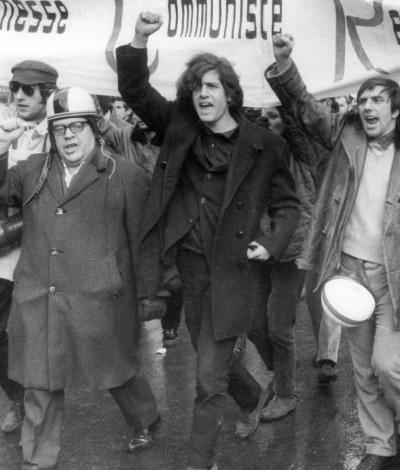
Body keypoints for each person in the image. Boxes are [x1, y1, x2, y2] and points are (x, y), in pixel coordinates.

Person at [116, 12, 300, 470]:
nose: (203, 94)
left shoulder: (264, 145)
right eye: (197, 87)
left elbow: (289, 205)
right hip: (189, 269)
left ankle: (201, 462)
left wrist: (272, 242)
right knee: (208, 356)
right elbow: (135, 90)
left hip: (234, 272)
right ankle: (252, 396)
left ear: (230, 95)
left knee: (207, 378)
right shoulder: (178, 126)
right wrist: (138, 38)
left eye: (212, 86)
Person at [266, 34, 400, 470]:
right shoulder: (346, 135)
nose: (368, 107)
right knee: (363, 368)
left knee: (388, 364)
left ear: (396, 110)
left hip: (398, 277)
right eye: (363, 100)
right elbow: (307, 109)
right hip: (349, 272)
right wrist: (285, 64)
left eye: (377, 100)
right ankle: (379, 444)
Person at [0, 86, 161, 469]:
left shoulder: (125, 175)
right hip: (40, 295)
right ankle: (37, 461)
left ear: (95, 129)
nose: (67, 136)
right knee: (40, 381)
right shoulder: (33, 170)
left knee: (116, 368)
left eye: (76, 127)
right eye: (59, 128)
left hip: (99, 295)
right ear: (51, 133)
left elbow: (142, 241)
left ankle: (145, 419)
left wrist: (150, 295)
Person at [0, 60, 59, 435]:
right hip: (0, 250)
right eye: (14, 88)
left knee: (53, 337)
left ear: (47, 95)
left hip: (44, 251)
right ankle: (18, 396)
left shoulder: (62, 132)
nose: (18, 96)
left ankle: (141, 416)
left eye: (28, 90)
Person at [96, 106, 186, 348]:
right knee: (131, 271)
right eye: (136, 111)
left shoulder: (173, 139)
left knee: (172, 279)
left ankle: (170, 324)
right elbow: (101, 125)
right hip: (133, 218)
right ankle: (132, 323)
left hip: (165, 219)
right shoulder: (124, 136)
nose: (141, 115)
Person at [245, 106, 314, 421]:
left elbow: (295, 126)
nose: (268, 122)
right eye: (264, 116)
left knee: (279, 327)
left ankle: (286, 393)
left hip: (293, 250)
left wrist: (282, 108)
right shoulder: (255, 149)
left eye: (275, 116)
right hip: (259, 246)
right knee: (253, 323)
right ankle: (283, 368)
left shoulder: (300, 152)